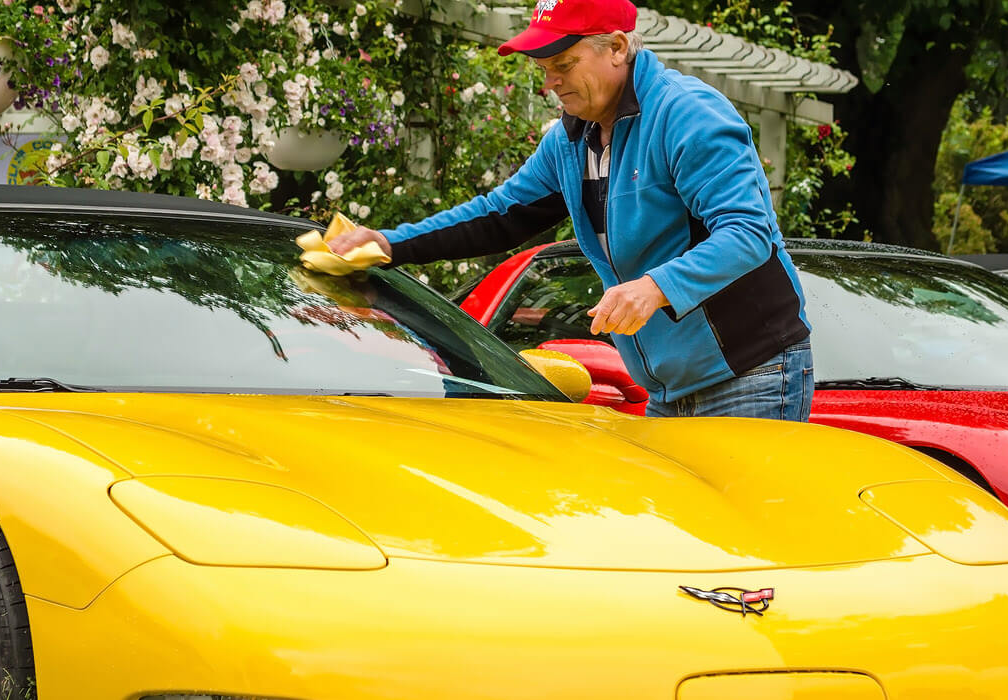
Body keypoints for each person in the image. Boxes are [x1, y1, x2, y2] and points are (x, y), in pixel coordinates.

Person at [328, 0, 813, 420]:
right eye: (544, 70)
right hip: (668, 391)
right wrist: (390, 243)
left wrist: (654, 288)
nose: (552, 83)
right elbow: (499, 215)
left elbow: (749, 233)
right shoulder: (569, 141)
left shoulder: (687, 114)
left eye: (563, 63)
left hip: (753, 371)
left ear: (618, 48)